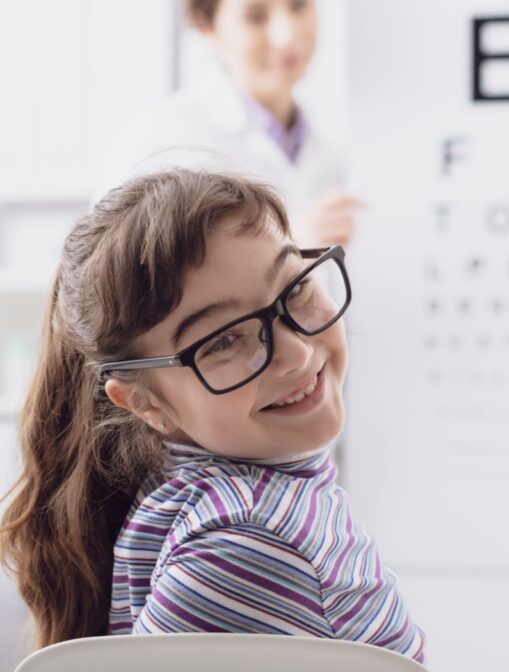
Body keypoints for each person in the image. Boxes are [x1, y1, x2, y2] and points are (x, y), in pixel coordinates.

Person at [0, 169, 425, 664]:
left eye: (294, 291)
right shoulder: (246, 545)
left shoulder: (209, 490)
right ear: (146, 403)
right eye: (224, 340)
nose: (296, 353)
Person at [94, 0, 359, 248]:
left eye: (299, 5)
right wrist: (288, 253)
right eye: (255, 17)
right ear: (206, 26)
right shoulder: (156, 139)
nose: (287, 35)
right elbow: (114, 284)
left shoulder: (326, 149)